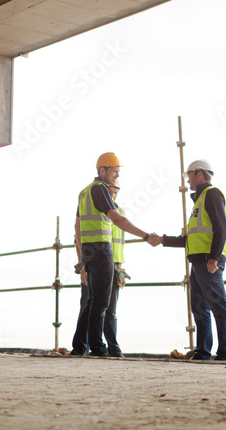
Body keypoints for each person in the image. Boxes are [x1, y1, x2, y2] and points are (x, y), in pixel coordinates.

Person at [72, 152, 157, 357]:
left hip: (89, 251)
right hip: (101, 250)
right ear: (102, 170)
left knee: (92, 301)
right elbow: (117, 220)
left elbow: (77, 227)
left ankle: (79, 346)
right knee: (101, 302)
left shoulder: (84, 192)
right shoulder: (100, 190)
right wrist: (146, 236)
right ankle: (98, 348)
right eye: (114, 173)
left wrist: (81, 258)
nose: (116, 177)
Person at [158, 158, 226, 361]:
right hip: (199, 261)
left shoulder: (211, 194)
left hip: (209, 261)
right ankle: (202, 352)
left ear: (199, 174)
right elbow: (188, 239)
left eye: (189, 176)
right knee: (199, 307)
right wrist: (162, 240)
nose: (188, 181)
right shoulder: (199, 202)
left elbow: (222, 228)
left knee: (218, 306)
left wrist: (214, 258)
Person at [71, 181, 130, 357]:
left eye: (115, 193)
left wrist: (119, 267)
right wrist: (83, 266)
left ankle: (112, 348)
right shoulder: (97, 210)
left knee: (108, 309)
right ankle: (86, 347)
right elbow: (79, 233)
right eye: (110, 192)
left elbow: (118, 243)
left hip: (113, 265)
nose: (111, 196)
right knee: (91, 304)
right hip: (97, 262)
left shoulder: (120, 213)